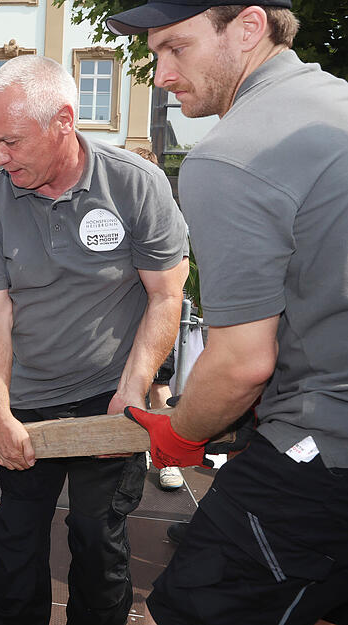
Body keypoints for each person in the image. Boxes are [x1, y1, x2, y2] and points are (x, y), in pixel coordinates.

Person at [106, 1, 348, 623]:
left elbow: (241, 363)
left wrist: (182, 432)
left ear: (248, 27)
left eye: (176, 48)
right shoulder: (335, 101)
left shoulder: (230, 154)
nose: (160, 73)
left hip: (326, 444)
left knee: (193, 603)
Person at [0, 55, 189, 625]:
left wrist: (135, 389)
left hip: (108, 393)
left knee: (95, 536)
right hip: (29, 401)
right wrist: (0, 412)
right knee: (16, 539)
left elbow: (167, 296)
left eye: (11, 141)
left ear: (64, 120)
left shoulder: (137, 185)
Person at [130, 146, 186, 492]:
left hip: (154, 321)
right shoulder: (116, 210)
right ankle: (143, 454)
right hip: (120, 327)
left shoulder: (167, 216)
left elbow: (174, 280)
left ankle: (168, 460)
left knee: (158, 387)